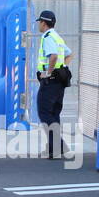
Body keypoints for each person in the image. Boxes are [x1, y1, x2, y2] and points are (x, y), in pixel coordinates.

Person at [35, 9, 72, 159]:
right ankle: (53, 149)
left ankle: (58, 146)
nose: (39, 25)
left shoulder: (48, 37)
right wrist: (62, 67)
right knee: (54, 114)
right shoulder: (57, 37)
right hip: (59, 81)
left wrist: (49, 72)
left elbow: (53, 56)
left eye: (40, 22)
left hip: (50, 82)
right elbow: (69, 54)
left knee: (44, 113)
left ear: (43, 23)